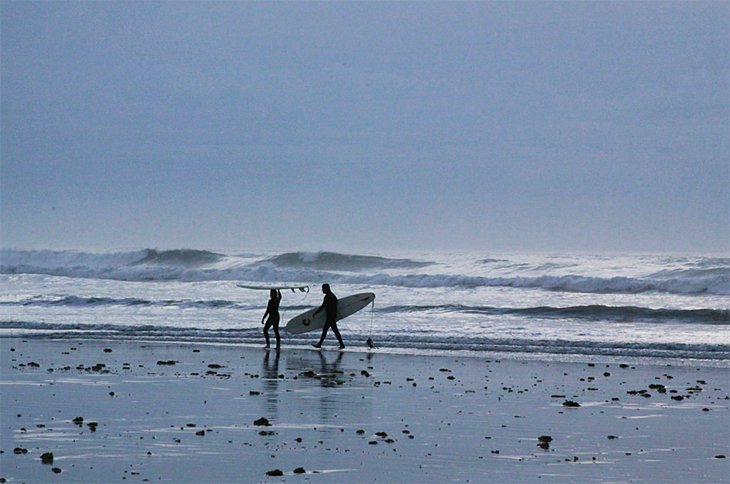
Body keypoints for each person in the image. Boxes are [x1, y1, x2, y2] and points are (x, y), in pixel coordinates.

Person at [312, 283, 344, 349]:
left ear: (326, 289)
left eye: (323, 289)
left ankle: (319, 344)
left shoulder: (328, 296)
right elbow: (335, 304)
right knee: (334, 331)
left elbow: (323, 306)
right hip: (332, 316)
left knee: (326, 330)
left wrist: (316, 313)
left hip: (330, 317)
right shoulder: (333, 295)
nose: (322, 290)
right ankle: (341, 344)